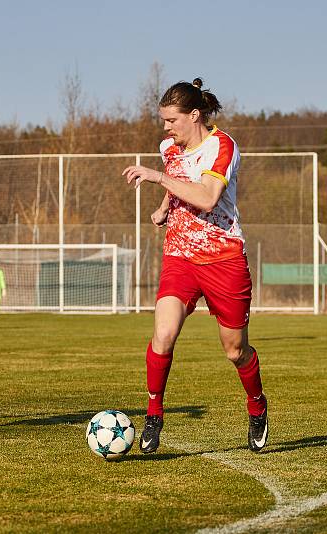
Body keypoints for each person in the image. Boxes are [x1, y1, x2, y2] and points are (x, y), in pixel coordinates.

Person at [122, 78, 268, 453]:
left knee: (235, 350)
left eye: (171, 120)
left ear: (194, 115)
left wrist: (157, 177)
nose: (166, 129)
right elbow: (179, 186)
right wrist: (162, 208)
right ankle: (154, 413)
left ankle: (256, 405)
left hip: (224, 259)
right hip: (180, 256)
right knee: (163, 335)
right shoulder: (168, 147)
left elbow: (205, 197)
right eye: (163, 121)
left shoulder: (223, 146)